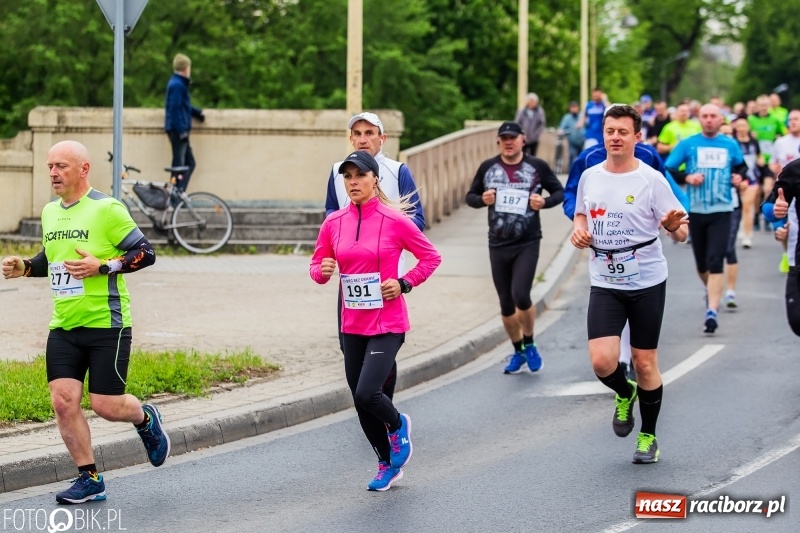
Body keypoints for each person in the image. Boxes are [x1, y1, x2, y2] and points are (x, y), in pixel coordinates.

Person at [1, 141, 168, 504]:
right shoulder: (49, 212)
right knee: (63, 401)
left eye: (61, 165)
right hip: (63, 325)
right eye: (49, 166)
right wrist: (26, 267)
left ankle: (145, 419)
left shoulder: (106, 209)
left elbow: (146, 253)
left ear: (83, 168)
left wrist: (104, 266)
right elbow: (52, 257)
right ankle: (89, 478)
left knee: (106, 405)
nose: (53, 173)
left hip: (107, 322)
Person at [310, 150, 441, 492]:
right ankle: (385, 464)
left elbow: (431, 257)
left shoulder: (394, 220)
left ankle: (399, 426)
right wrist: (321, 272)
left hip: (388, 323)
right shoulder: (333, 222)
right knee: (359, 398)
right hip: (351, 323)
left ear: (374, 180)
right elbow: (317, 264)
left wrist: (403, 283)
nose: (353, 182)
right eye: (348, 176)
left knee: (369, 392)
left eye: (359, 175)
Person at [571, 105, 688, 464]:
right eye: (610, 131)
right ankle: (625, 392)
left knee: (644, 362)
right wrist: (579, 230)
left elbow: (682, 232)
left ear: (638, 137)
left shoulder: (652, 180)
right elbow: (581, 213)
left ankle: (648, 436)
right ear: (603, 134)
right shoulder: (590, 175)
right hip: (605, 278)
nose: (615, 138)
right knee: (603, 362)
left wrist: (671, 226)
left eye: (623, 131)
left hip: (647, 279)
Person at [324, 112, 426, 404]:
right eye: (357, 133)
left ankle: (381, 400)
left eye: (370, 132)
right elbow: (329, 212)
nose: (363, 138)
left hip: (386, 274)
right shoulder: (337, 172)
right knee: (350, 345)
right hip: (352, 275)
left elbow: (418, 218)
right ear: (351, 138)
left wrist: (387, 231)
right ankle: (372, 401)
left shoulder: (397, 171)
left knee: (382, 342)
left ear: (382, 138)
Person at [465, 121, 564, 374]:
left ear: (523, 140)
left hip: (527, 241)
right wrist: (481, 199)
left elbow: (559, 192)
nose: (508, 142)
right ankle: (518, 349)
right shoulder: (488, 167)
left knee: (521, 295)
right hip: (497, 243)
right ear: (499, 142)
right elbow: (470, 197)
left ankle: (530, 343)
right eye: (503, 138)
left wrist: (544, 201)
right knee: (506, 303)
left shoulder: (537, 167)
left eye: (513, 138)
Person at [665, 104, 747, 334]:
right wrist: (688, 177)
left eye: (713, 116)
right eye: (705, 116)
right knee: (702, 263)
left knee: (715, 259)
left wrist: (739, 177)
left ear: (721, 119)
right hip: (696, 211)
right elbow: (669, 168)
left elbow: (742, 167)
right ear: (699, 119)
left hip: (722, 209)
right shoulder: (688, 144)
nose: (709, 120)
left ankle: (712, 311)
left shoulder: (730, 144)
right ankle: (712, 291)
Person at [761, 162, 800, 336]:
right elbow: (769, 206)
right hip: (798, 259)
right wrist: (777, 212)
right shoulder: (795, 169)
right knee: (797, 320)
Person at [164, 53, 205, 194]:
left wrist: (196, 113)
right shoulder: (177, 85)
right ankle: (174, 195)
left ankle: (177, 194)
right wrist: (182, 130)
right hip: (178, 131)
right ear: (186, 68)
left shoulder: (178, 83)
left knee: (188, 163)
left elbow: (183, 106)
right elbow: (174, 109)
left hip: (179, 130)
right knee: (179, 164)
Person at [767, 109, 800, 273]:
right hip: (785, 188)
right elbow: (772, 163)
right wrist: (776, 169)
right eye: (790, 119)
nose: (792, 122)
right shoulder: (781, 143)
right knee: (785, 224)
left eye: (796, 119)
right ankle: (788, 253)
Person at [558, 101, 584, 167]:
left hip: (582, 141)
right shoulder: (567, 118)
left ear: (578, 108)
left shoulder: (582, 116)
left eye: (575, 107)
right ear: (570, 108)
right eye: (572, 107)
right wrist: (563, 131)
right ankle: (571, 172)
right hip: (572, 141)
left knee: (581, 157)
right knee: (572, 156)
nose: (574, 109)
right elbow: (561, 128)